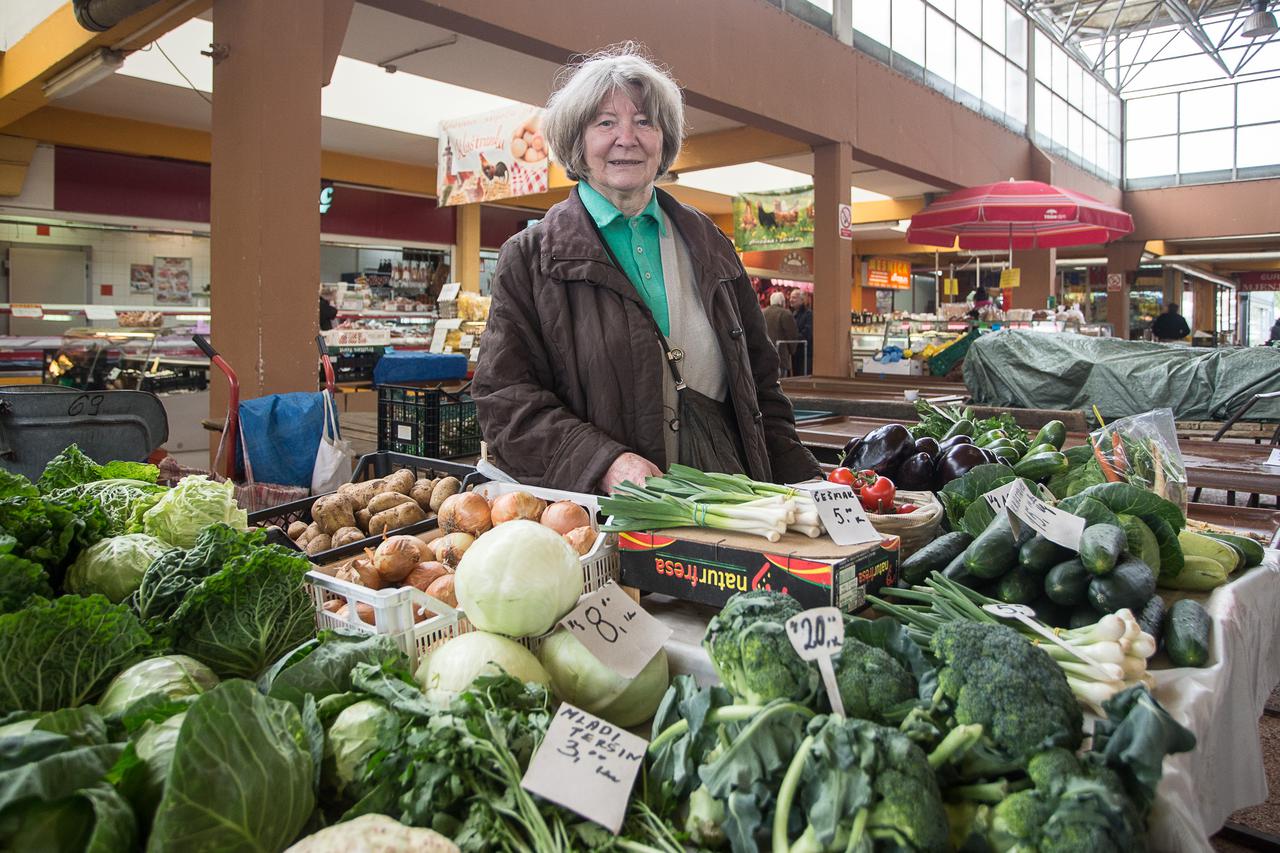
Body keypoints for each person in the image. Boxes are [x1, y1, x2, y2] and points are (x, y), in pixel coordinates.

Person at [472, 44, 820, 493]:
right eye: (605, 123)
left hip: (730, 507)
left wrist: (807, 483)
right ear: (577, 141)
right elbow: (505, 399)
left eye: (644, 121)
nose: (627, 138)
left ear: (664, 139)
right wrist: (603, 461)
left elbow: (760, 382)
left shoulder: (710, 244)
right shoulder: (532, 257)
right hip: (606, 516)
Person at [763, 291, 799, 375]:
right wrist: (792, 350)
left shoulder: (762, 312)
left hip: (764, 356)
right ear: (782, 302)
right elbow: (792, 335)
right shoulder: (785, 313)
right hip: (780, 356)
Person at [789, 288, 813, 375]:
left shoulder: (808, 314)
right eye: (790, 297)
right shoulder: (792, 314)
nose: (791, 300)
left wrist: (794, 339)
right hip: (795, 353)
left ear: (802, 300)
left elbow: (807, 333)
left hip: (805, 354)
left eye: (794, 298)